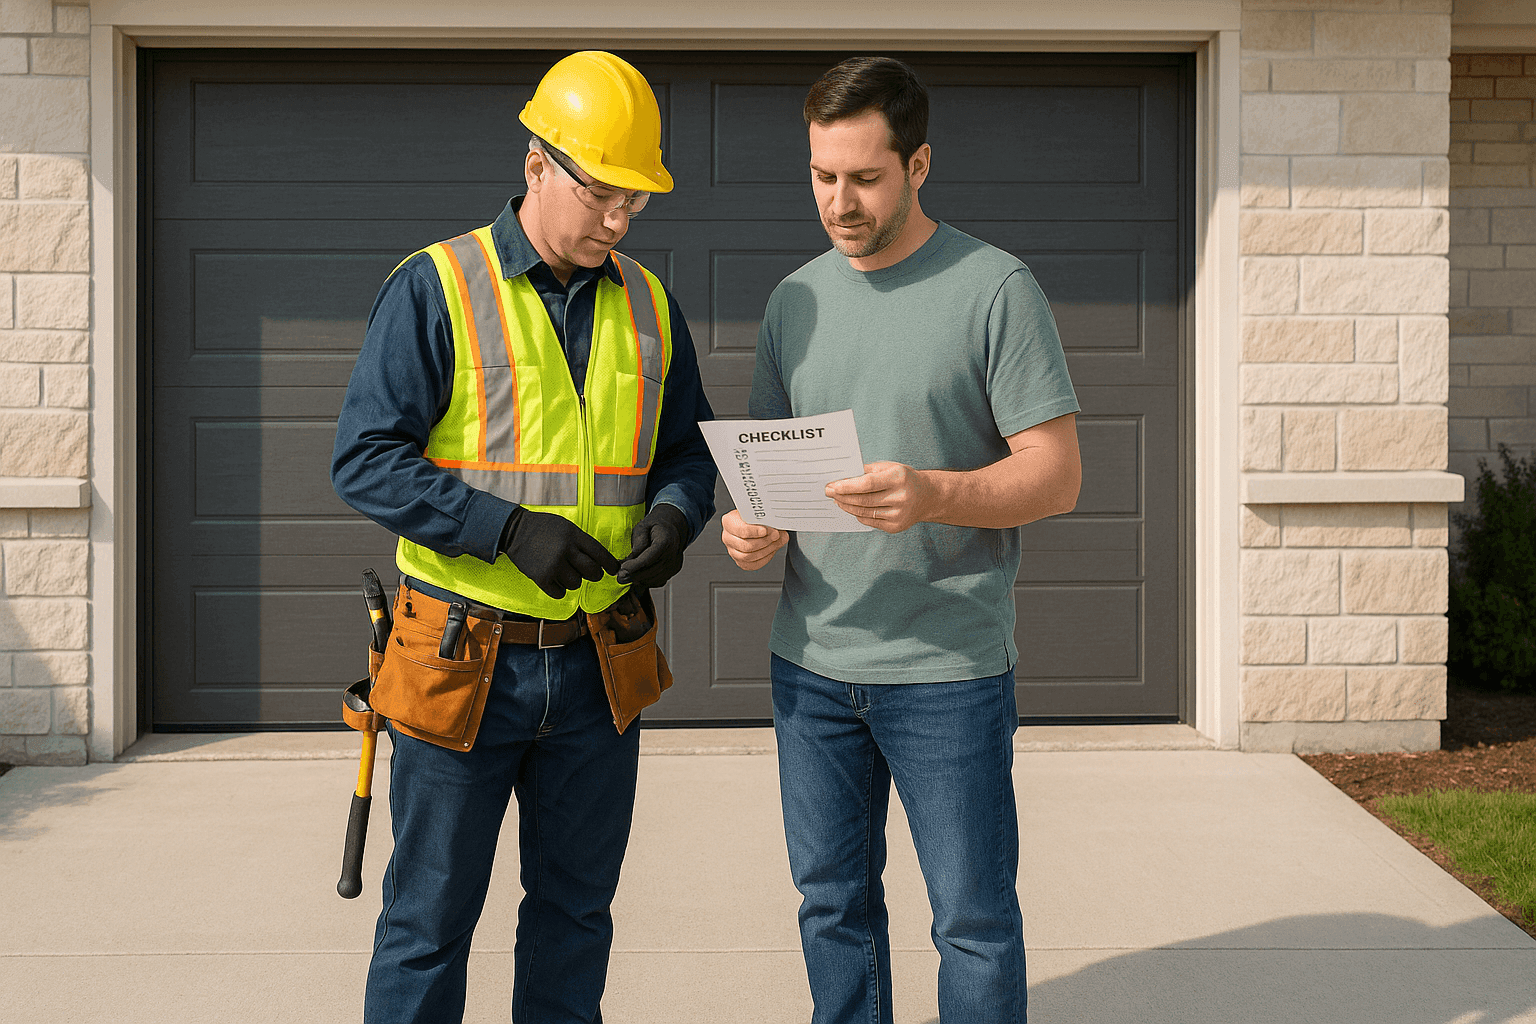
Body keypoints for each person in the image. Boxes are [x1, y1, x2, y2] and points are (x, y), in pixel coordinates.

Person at [331, 51, 716, 1024]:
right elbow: (365, 457)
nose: (620, 221)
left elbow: (686, 455)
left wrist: (676, 517)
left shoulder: (651, 306)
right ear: (538, 162)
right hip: (461, 660)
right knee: (426, 923)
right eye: (603, 194)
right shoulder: (437, 288)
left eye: (636, 200)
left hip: (600, 665)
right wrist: (503, 530)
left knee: (576, 917)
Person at [721, 56, 1082, 1024]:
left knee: (971, 919)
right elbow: (770, 466)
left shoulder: (993, 286)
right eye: (822, 176)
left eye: (865, 178)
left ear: (918, 165)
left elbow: (1056, 474)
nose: (840, 201)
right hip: (811, 663)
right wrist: (751, 525)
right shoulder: (793, 300)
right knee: (832, 905)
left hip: (947, 668)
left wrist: (935, 492)